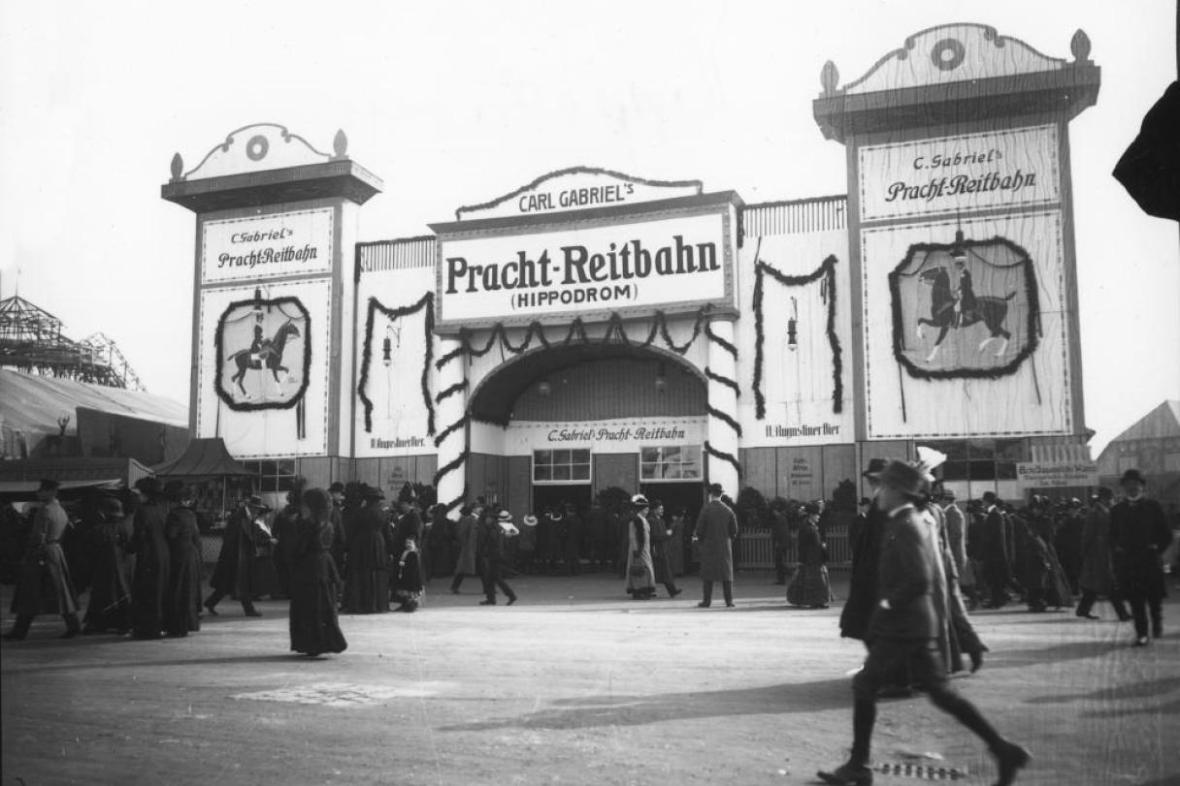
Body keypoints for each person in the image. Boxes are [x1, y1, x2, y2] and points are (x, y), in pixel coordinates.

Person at [818, 460, 1030, 786]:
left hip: (903, 626)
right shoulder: (907, 521)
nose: (879, 493)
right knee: (941, 693)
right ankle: (1003, 750)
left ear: (896, 491)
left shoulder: (907, 525)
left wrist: (886, 605)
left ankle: (859, 765)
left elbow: (920, 578)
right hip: (916, 626)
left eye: (884, 487)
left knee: (865, 686)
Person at [4, 479, 82, 640]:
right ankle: (74, 626)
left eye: (43, 490)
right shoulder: (60, 510)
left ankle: (20, 631)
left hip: (41, 553)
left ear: (52, 492)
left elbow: (38, 536)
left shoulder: (44, 510)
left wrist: (30, 555)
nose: (39, 492)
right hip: (56, 552)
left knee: (28, 592)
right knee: (61, 592)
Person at [1109, 469, 1173, 646]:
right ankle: (1142, 634)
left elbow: (1166, 534)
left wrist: (1156, 549)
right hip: (1129, 564)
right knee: (1135, 600)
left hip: (1150, 560)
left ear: (1141, 487)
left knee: (1154, 599)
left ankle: (1157, 623)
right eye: (1128, 485)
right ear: (1123, 488)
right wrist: (1117, 549)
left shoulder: (1153, 507)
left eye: (1135, 485)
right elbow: (1111, 536)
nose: (1132, 488)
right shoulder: (1117, 510)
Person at [288, 488, 347, 656]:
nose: (302, 508)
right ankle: (325, 641)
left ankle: (311, 643)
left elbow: (299, 549)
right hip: (325, 566)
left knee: (308, 604)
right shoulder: (327, 524)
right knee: (323, 603)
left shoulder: (307, 525)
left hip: (308, 569)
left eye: (305, 505)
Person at [840, 460, 887, 644]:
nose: (870, 482)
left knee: (875, 624)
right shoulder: (880, 502)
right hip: (871, 572)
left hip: (876, 573)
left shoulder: (883, 504)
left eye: (873, 478)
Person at [204, 496, 268, 617]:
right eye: (257, 508)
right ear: (252, 507)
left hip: (239, 556)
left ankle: (210, 603)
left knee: (228, 584)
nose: (258, 511)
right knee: (240, 584)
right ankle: (249, 610)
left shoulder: (246, 516)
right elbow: (233, 538)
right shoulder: (239, 517)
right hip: (236, 556)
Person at [1075, 488, 1130, 621]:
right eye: (1111, 498)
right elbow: (1087, 535)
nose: (1112, 501)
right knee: (1110, 585)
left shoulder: (1104, 511)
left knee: (1094, 585)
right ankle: (1122, 614)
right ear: (1105, 498)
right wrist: (1085, 553)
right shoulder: (1095, 512)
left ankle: (1083, 609)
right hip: (1097, 555)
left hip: (1103, 554)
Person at [82, 496, 134, 635]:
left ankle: (99, 624)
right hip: (122, 567)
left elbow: (89, 550)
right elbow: (129, 547)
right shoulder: (124, 528)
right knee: (122, 593)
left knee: (101, 596)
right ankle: (124, 624)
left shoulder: (97, 530)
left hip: (102, 568)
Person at [128, 477, 172, 639]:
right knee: (160, 592)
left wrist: (129, 547)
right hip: (164, 554)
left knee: (145, 592)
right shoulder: (162, 509)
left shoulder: (142, 510)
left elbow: (140, 535)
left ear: (146, 493)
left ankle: (146, 629)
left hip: (148, 555)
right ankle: (159, 626)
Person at [341, 485, 391, 614]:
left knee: (360, 572)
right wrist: (390, 550)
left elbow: (351, 531)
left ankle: (360, 603)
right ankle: (378, 604)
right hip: (378, 543)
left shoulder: (359, 512)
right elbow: (388, 533)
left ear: (366, 499)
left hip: (360, 544)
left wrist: (347, 548)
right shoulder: (383, 513)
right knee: (377, 571)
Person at [162, 481, 202, 638]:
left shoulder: (174, 515)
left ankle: (176, 626)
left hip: (179, 555)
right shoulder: (191, 515)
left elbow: (171, 535)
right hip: (192, 555)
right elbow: (197, 538)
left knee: (177, 590)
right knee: (188, 590)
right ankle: (187, 623)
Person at [693, 483, 738, 608]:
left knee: (708, 575)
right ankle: (729, 601)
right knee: (726, 575)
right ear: (721, 494)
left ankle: (706, 601)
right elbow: (734, 531)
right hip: (725, 546)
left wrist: (702, 541)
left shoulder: (706, 510)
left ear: (711, 495)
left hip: (709, 546)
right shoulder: (728, 511)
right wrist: (728, 540)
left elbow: (699, 529)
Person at [787, 502, 831, 608]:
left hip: (816, 558)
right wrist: (801, 559)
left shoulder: (812, 526)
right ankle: (815, 601)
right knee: (813, 581)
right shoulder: (805, 527)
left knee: (818, 581)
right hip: (810, 558)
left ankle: (819, 601)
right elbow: (802, 545)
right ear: (811, 515)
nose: (819, 517)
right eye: (817, 515)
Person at [478, 508, 517, 606]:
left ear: (491, 519)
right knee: (491, 579)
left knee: (496, 578)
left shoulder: (493, 529)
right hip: (495, 555)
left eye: (488, 518)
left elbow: (492, 543)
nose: (486, 520)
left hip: (494, 556)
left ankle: (511, 595)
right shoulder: (496, 528)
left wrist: (485, 552)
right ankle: (491, 599)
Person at [980, 492, 1012, 608]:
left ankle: (997, 600)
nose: (982, 502)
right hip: (994, 553)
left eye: (984, 500)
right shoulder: (993, 514)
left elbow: (996, 536)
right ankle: (996, 599)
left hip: (995, 553)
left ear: (988, 501)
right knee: (993, 578)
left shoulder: (995, 515)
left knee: (995, 578)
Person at [625, 494, 656, 600]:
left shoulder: (641, 519)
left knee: (642, 569)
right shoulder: (637, 520)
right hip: (639, 549)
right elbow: (634, 537)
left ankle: (641, 589)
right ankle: (640, 590)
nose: (647, 510)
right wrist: (636, 550)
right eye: (646, 509)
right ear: (641, 509)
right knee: (642, 570)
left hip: (642, 548)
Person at [648, 499, 681, 598]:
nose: (662, 510)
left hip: (662, 548)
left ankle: (671, 590)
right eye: (660, 509)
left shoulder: (661, 520)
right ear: (654, 510)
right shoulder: (652, 521)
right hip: (656, 549)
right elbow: (654, 536)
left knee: (664, 571)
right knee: (660, 571)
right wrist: (666, 534)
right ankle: (670, 590)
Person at [450, 502, 481, 593]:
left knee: (483, 568)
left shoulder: (475, 519)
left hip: (475, 547)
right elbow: (461, 533)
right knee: (463, 568)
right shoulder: (469, 519)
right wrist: (465, 544)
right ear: (474, 509)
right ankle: (455, 586)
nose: (480, 510)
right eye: (479, 508)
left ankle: (488, 589)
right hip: (469, 547)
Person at [770, 499, 792, 586]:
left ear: (776, 511)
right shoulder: (783, 518)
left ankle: (786, 575)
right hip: (784, 543)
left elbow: (779, 532)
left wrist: (776, 542)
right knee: (780, 561)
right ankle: (782, 578)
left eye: (774, 511)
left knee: (779, 562)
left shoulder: (779, 519)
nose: (773, 513)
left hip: (780, 544)